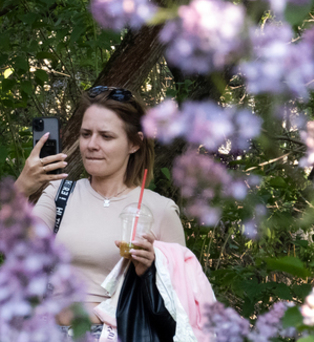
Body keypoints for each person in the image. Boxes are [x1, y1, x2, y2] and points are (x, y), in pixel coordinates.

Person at [14, 86, 186, 340]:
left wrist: (149, 270)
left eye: (106, 136)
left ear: (135, 143)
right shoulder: (59, 193)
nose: (92, 145)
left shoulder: (160, 210)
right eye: (86, 134)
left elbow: (181, 307)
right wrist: (20, 190)